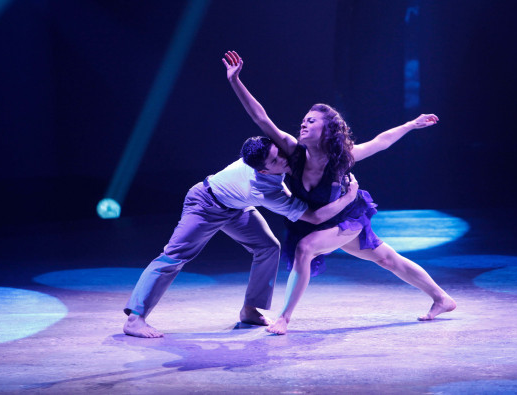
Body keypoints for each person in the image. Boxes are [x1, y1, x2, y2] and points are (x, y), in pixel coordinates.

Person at [223, 50, 456, 335]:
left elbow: (380, 142)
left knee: (305, 249)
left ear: (328, 130)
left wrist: (410, 124)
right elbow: (261, 118)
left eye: (311, 121)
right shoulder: (292, 151)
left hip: (346, 218)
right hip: (320, 221)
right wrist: (235, 81)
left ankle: (284, 319)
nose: (303, 123)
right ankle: (442, 298)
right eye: (304, 120)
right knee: (386, 259)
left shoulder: (343, 158)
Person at [123, 136, 360, 338]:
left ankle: (250, 310)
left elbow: (262, 118)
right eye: (276, 161)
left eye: (280, 154)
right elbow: (313, 217)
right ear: (264, 170)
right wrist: (348, 198)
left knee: (268, 247)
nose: (284, 160)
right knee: (174, 255)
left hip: (236, 207)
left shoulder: (272, 155)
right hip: (205, 204)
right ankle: (135, 318)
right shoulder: (263, 189)